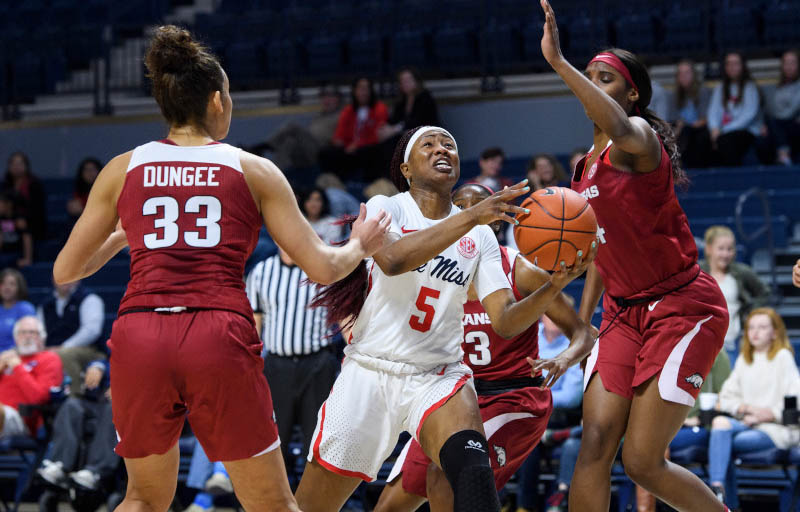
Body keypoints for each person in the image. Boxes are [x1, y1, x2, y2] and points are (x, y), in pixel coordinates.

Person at [52, 25, 390, 512]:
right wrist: (360, 244)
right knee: (272, 503)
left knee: (143, 499)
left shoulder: (123, 167)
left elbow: (66, 270)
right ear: (215, 100)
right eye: (228, 94)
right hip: (217, 333)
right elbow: (323, 267)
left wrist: (128, 233)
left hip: (140, 332)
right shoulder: (252, 168)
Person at [294, 126, 594, 512]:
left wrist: (554, 286)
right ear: (406, 168)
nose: (442, 149)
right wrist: (470, 218)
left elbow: (503, 320)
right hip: (371, 372)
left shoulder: (482, 238)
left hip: (438, 375)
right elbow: (394, 260)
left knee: (469, 472)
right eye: (429, 144)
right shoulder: (389, 207)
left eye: (449, 145)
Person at [537, 2, 730, 511]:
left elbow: (621, 129)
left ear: (632, 94)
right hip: (622, 313)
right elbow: (601, 256)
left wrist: (560, 63)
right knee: (594, 444)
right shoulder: (581, 171)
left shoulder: (638, 142)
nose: (594, 84)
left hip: (682, 306)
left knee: (642, 462)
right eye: (589, 76)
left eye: (605, 78)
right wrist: (583, 330)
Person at [371, 183, 596, 512]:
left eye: (480, 212)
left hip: (513, 398)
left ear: (496, 223)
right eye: (461, 209)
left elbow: (584, 334)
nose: (470, 217)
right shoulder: (434, 270)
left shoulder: (520, 271)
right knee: (388, 506)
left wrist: (562, 360)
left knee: (445, 474)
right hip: (451, 399)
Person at [246, 245, 338, 473]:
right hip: (277, 367)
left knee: (316, 443)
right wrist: (250, 363)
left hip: (317, 365)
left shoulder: (320, 270)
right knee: (275, 442)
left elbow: (343, 315)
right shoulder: (261, 272)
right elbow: (254, 323)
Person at [708, 308, 800, 508]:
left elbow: (796, 399)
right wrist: (747, 408)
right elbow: (725, 398)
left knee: (725, 443)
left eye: (762, 327)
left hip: (775, 429)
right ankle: (718, 488)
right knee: (719, 422)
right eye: (751, 327)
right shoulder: (744, 360)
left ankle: (722, 500)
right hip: (747, 423)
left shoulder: (782, 357)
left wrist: (769, 415)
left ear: (775, 332)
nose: (755, 332)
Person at [515, 309, 585, 512]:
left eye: (561, 315)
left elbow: (572, 397)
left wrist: (536, 395)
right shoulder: (526, 337)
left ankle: (552, 435)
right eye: (551, 314)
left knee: (541, 439)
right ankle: (523, 507)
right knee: (528, 442)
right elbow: (517, 382)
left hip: (559, 417)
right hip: (528, 415)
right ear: (542, 316)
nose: (556, 319)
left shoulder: (576, 344)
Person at [37, 358, 117, 492]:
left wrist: (127, 385)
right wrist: (97, 366)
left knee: (114, 408)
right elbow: (106, 358)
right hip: (97, 399)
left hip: (126, 402)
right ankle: (59, 465)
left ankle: (95, 471)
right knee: (71, 405)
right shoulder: (120, 344)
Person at [699, 226, 770, 363]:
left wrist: (750, 310)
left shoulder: (741, 272)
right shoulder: (698, 273)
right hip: (702, 344)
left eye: (730, 249)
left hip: (731, 344)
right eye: (721, 249)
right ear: (709, 249)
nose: (726, 254)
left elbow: (765, 292)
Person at [37, 279, 106, 396]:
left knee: (65, 354)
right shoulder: (45, 304)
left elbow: (91, 331)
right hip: (51, 349)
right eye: (62, 274)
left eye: (70, 274)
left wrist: (63, 347)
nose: (66, 278)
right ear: (53, 278)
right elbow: (39, 330)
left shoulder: (89, 299)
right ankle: (42, 396)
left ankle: (75, 396)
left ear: (79, 277)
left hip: (91, 350)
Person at [0, 316, 63, 439]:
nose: (27, 336)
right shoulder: (5, 359)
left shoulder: (49, 359)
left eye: (33, 332)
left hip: (20, 419)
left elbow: (38, 398)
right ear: (16, 338)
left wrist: (17, 367)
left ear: (42, 338)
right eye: (22, 333)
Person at [319, 76, 389, 182]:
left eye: (366, 89)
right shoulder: (348, 110)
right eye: (360, 89)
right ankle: (337, 183)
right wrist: (339, 141)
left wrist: (358, 144)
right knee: (326, 153)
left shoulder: (380, 108)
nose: (363, 92)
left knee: (372, 152)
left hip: (368, 147)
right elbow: (340, 133)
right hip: (349, 148)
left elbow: (378, 134)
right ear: (354, 91)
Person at [708, 52, 762, 166]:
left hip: (746, 130)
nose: (732, 67)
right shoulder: (720, 88)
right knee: (703, 139)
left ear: (742, 66)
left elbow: (748, 116)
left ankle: (733, 179)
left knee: (727, 141)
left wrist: (722, 131)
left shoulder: (750, 87)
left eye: (735, 63)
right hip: (723, 131)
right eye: (729, 64)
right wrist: (714, 129)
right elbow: (713, 112)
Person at [380, 68, 441, 147]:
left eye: (408, 80)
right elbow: (394, 119)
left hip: (426, 136)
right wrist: (385, 127)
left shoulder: (425, 98)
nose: (405, 83)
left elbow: (418, 122)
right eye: (402, 81)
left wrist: (396, 129)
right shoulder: (402, 101)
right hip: (406, 136)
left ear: (416, 82)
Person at [670, 60, 711, 168]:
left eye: (687, 73)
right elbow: (676, 119)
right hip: (683, 129)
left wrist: (682, 127)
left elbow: (705, 119)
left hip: (700, 128)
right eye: (680, 73)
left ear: (694, 75)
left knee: (689, 134)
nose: (684, 76)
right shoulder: (676, 94)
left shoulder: (702, 91)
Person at [2, 151, 47, 241]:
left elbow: (37, 211)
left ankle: (27, 255)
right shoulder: (5, 185)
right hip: (10, 224)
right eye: (13, 163)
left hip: (31, 225)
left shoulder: (34, 185)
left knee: (24, 228)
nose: (16, 166)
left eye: (19, 163)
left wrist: (24, 220)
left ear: (26, 166)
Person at [767, 49, 800, 165]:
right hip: (780, 125)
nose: (789, 66)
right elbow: (772, 109)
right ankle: (783, 156)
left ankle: (783, 155)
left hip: (795, 126)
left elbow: (790, 112)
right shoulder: (777, 87)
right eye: (786, 63)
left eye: (793, 63)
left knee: (775, 122)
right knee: (772, 124)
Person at [0, 268, 36, 352]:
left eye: (12, 284)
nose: (7, 287)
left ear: (19, 287)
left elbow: (30, 340)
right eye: (3, 283)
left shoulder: (26, 308)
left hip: (16, 356)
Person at [0, 192, 33, 268]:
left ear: (8, 204)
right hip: (4, 253)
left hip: (16, 253)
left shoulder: (19, 218)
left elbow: (27, 238)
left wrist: (28, 258)